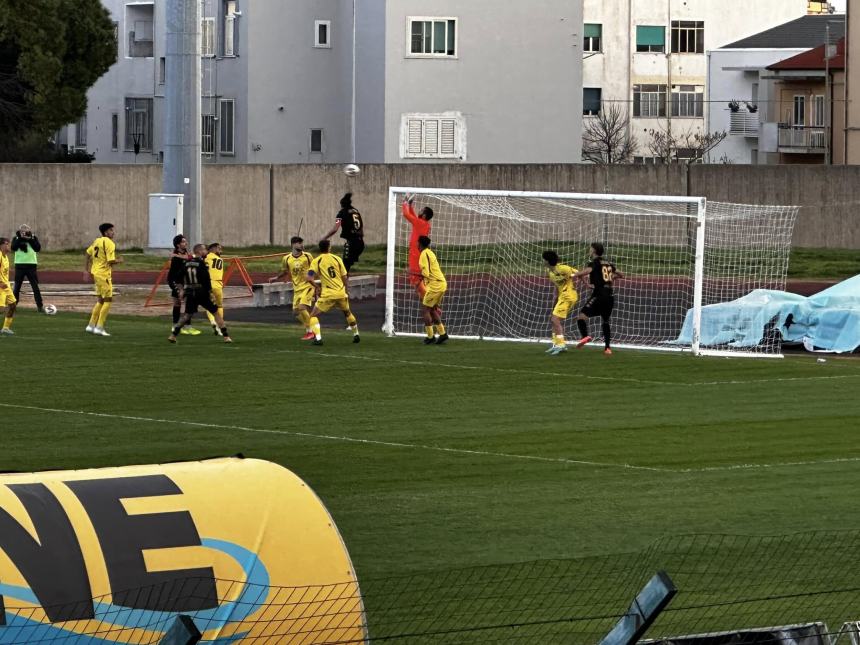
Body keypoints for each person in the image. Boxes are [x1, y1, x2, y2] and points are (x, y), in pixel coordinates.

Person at [169, 244, 232, 344]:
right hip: (201, 292)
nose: (206, 252)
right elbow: (206, 280)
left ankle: (173, 335)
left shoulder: (186, 263)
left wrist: (181, 290)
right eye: (204, 250)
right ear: (199, 251)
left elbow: (177, 278)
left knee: (187, 315)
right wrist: (210, 293)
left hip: (190, 292)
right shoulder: (202, 263)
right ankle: (226, 336)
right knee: (216, 312)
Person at [573, 242, 624, 356]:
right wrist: (611, 279)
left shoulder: (594, 263)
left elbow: (587, 271)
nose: (589, 250)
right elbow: (621, 274)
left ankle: (585, 336)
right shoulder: (608, 263)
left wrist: (574, 275)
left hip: (599, 294)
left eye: (590, 249)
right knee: (605, 321)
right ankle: (607, 348)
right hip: (610, 296)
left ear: (594, 251)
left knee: (581, 317)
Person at [306, 239, 359, 346]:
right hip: (340, 293)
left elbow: (309, 278)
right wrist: (346, 290)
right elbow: (344, 277)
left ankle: (318, 339)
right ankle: (356, 334)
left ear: (320, 248)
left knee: (312, 316)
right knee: (347, 313)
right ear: (329, 247)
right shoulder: (337, 258)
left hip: (328, 294)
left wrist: (317, 287)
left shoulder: (317, 261)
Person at [269, 236, 315, 339]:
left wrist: (314, 281)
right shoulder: (286, 259)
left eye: (302, 243)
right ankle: (312, 327)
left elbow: (315, 268)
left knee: (302, 307)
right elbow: (285, 271)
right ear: (293, 245)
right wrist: (276, 278)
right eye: (299, 243)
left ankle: (310, 332)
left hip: (308, 286)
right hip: (297, 288)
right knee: (295, 312)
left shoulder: (308, 256)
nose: (302, 245)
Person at [84, 223, 123, 337]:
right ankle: (99, 327)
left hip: (95, 273)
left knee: (100, 300)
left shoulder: (97, 241)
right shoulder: (109, 243)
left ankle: (91, 325)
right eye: (111, 230)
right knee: (108, 300)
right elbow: (110, 261)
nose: (113, 232)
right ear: (106, 232)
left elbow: (87, 254)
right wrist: (119, 260)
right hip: (104, 274)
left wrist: (86, 270)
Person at [541, 250, 579, 356]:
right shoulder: (551, 272)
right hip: (562, 297)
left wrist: (587, 284)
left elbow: (579, 273)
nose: (543, 261)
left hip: (569, 296)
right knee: (553, 320)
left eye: (544, 259)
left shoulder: (563, 268)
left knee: (555, 319)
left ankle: (561, 345)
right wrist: (555, 299)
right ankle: (556, 344)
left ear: (547, 261)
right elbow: (557, 287)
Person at [418, 236, 448, 345]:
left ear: (420, 244)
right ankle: (442, 334)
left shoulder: (423, 254)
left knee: (425, 310)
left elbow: (425, 273)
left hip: (435, 285)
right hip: (441, 283)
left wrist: (416, 274)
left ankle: (430, 337)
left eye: (417, 243)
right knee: (432, 309)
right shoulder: (430, 252)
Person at [401, 194, 433, 298]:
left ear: (424, 215)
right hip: (417, 254)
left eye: (421, 210)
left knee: (416, 281)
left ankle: (430, 302)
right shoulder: (423, 223)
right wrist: (410, 205)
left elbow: (406, 214)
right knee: (417, 282)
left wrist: (405, 202)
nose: (419, 211)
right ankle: (428, 301)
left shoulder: (420, 223)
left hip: (416, 255)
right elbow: (413, 216)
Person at [323, 192, 364, 271]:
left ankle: (344, 283)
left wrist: (324, 237)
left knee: (344, 267)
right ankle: (345, 280)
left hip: (352, 243)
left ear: (342, 205)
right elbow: (360, 227)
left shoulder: (341, 213)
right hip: (361, 242)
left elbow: (335, 229)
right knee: (347, 265)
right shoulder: (356, 211)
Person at [167, 235, 199, 335]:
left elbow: (191, 257)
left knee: (187, 303)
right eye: (183, 242)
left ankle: (185, 326)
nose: (186, 243)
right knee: (179, 303)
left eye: (186, 241)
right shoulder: (175, 255)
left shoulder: (182, 253)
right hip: (175, 281)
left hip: (184, 282)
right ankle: (178, 326)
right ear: (178, 244)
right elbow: (188, 258)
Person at [11, 225, 44, 313]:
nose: (24, 233)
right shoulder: (16, 238)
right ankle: (13, 306)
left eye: (26, 231)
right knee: (17, 287)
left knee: (35, 286)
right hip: (19, 265)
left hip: (31, 265)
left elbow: (37, 248)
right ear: (19, 231)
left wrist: (29, 239)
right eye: (22, 231)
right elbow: (13, 247)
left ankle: (40, 306)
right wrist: (20, 238)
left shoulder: (33, 238)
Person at [204, 242, 226, 335]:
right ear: (214, 249)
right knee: (219, 306)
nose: (220, 250)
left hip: (209, 284)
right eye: (219, 248)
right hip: (219, 285)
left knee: (209, 305)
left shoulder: (207, 257)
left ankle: (213, 321)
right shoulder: (220, 259)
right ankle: (219, 326)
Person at [0, 238, 17, 335]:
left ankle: (5, 328)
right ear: (1, 245)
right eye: (7, 244)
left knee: (13, 305)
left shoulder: (5, 257)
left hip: (6, 286)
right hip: (1, 286)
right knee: (1, 310)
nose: (9, 246)